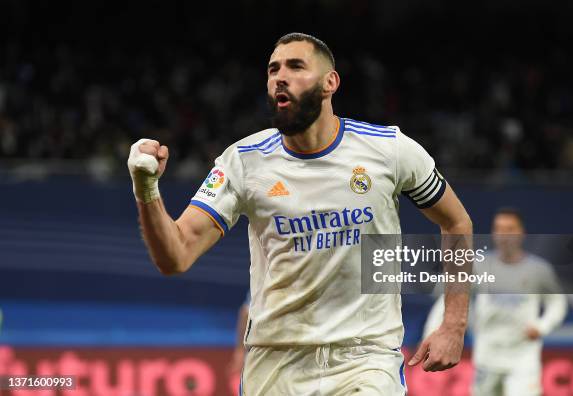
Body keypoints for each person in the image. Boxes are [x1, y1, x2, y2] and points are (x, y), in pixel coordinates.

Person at [128, 32, 472, 395]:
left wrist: (454, 324)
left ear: (330, 82)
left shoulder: (389, 150)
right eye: (273, 69)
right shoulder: (243, 162)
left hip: (365, 358)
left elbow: (456, 221)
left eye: (295, 66)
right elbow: (176, 256)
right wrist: (146, 188)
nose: (280, 76)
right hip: (275, 364)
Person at [423, 207, 568, 396]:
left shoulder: (538, 270)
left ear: (521, 233)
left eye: (510, 229)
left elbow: (557, 303)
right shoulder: (479, 266)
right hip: (487, 355)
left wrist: (542, 327)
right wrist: (432, 333)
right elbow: (451, 299)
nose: (504, 235)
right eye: (499, 229)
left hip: (523, 357)